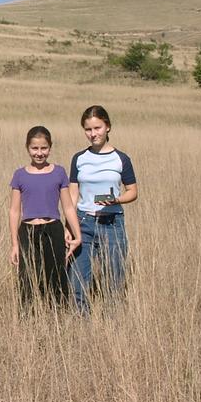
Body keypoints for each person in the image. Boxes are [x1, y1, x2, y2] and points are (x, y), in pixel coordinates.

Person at [67, 105, 138, 315]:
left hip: (112, 223)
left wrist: (117, 199)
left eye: (97, 128)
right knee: (78, 279)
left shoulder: (121, 159)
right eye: (88, 129)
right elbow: (72, 194)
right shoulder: (79, 158)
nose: (93, 134)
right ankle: (82, 326)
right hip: (83, 223)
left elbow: (133, 191)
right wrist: (68, 225)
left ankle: (112, 328)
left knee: (113, 281)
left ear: (107, 127)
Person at [9, 126, 81, 309]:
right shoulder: (20, 175)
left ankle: (58, 316)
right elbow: (14, 211)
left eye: (44, 148)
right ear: (27, 148)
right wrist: (15, 244)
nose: (39, 153)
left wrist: (77, 235)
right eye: (35, 148)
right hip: (28, 230)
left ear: (50, 147)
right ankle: (29, 318)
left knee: (56, 276)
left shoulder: (59, 172)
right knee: (28, 277)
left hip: (53, 229)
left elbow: (68, 207)